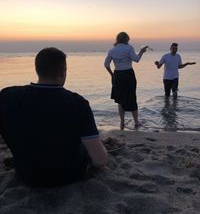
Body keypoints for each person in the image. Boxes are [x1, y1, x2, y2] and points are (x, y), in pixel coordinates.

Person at [0, 47, 107, 187]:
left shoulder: (7, 96)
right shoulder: (78, 103)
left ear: (37, 69)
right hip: (69, 176)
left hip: (26, 175)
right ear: (63, 73)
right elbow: (99, 160)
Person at [104, 32, 148, 130]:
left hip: (117, 75)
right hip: (128, 74)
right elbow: (136, 59)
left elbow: (106, 64)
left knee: (120, 99)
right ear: (126, 39)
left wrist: (112, 74)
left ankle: (122, 122)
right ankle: (136, 122)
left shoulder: (112, 50)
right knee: (132, 97)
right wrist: (141, 51)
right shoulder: (129, 48)